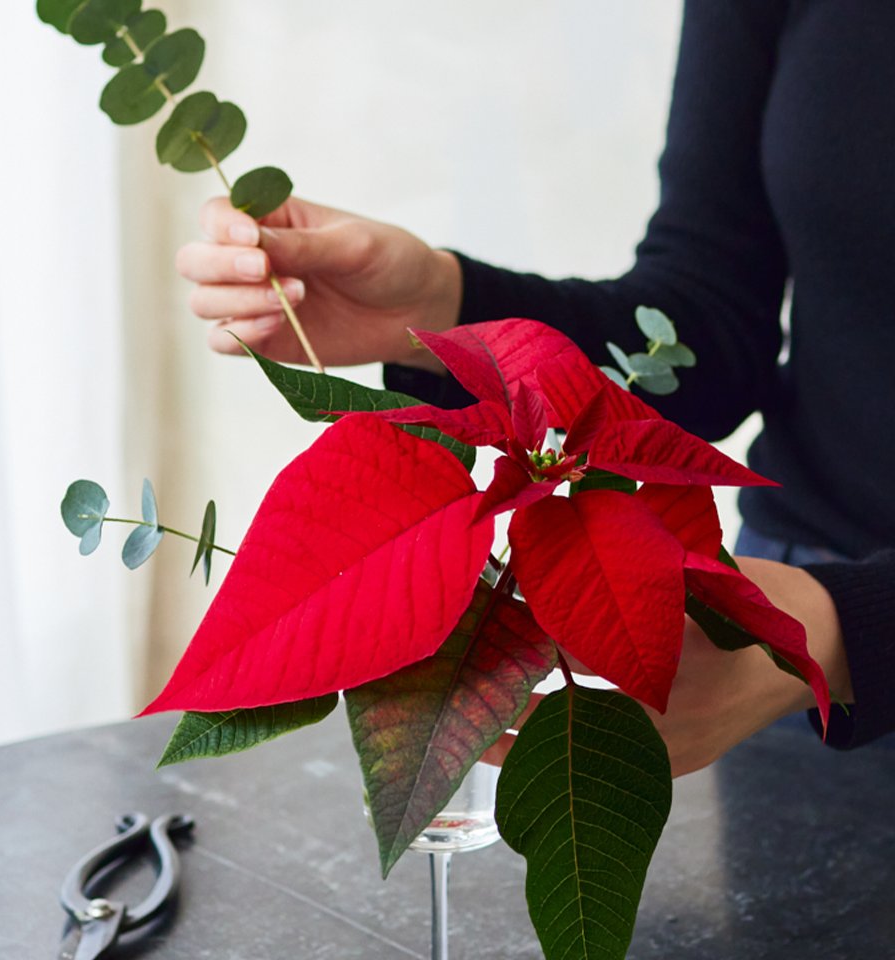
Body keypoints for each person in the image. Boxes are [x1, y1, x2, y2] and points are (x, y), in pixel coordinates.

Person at [175, 0, 894, 776]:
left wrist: (846, 628)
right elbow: (710, 334)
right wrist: (442, 313)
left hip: (805, 637)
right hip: (788, 633)